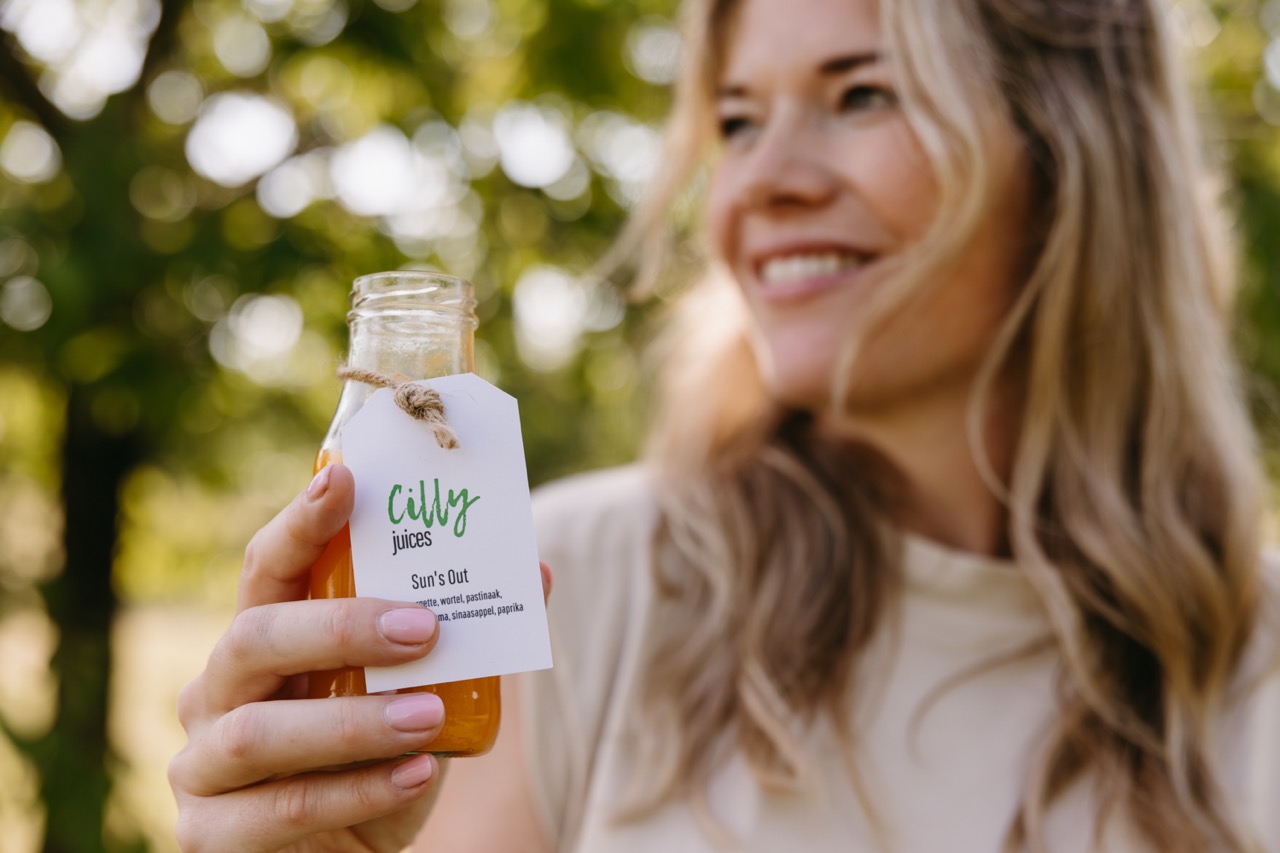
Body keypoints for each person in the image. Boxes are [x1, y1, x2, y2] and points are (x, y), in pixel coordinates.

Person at [168, 0, 1280, 849]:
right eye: (736, 121)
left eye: (860, 96)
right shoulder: (578, 585)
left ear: (1072, 155)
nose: (760, 184)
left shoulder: (1253, 668)